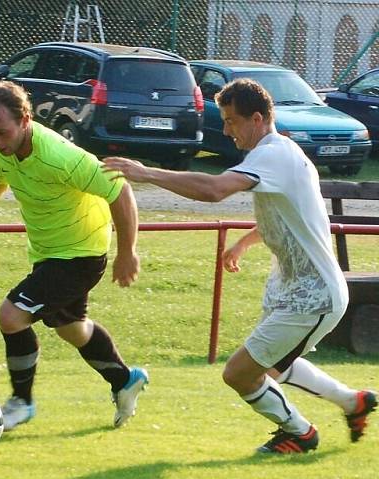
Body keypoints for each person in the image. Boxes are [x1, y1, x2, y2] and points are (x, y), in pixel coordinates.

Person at [103, 78, 375, 453]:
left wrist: (147, 172)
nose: (227, 130)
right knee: (270, 368)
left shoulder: (274, 154)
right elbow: (289, 214)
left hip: (314, 295)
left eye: (231, 121)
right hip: (296, 288)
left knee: (240, 373)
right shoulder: (276, 154)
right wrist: (245, 243)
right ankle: (351, 402)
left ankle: (300, 433)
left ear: (258, 118)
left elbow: (214, 191)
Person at [0, 81, 148, 431]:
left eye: (3, 132)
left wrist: (128, 252)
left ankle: (22, 402)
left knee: (12, 316)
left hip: (81, 253)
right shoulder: (2, 150)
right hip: (48, 252)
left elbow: (120, 190)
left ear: (25, 119)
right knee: (72, 330)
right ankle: (125, 380)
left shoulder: (59, 155)